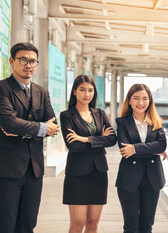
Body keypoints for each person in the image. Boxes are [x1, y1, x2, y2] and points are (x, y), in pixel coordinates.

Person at [0, 42, 60, 233]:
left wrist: (25, 128)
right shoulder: (0, 89)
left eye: (33, 61)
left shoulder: (41, 92)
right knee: (6, 223)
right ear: (12, 61)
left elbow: (53, 123)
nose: (28, 65)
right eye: (23, 60)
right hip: (7, 169)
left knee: (28, 224)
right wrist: (40, 128)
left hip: (34, 169)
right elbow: (9, 124)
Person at [60, 75, 116, 233]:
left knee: (93, 223)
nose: (87, 94)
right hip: (77, 174)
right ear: (74, 92)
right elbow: (73, 146)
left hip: (98, 173)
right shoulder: (67, 116)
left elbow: (112, 139)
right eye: (82, 90)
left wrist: (85, 139)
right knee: (78, 223)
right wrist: (100, 140)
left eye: (90, 90)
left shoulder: (100, 114)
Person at [115, 83, 167, 233]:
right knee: (131, 227)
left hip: (152, 180)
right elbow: (124, 149)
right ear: (129, 100)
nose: (140, 103)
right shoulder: (122, 122)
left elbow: (162, 145)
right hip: (129, 179)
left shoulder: (157, 121)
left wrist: (135, 148)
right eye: (136, 98)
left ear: (150, 101)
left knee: (147, 226)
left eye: (145, 98)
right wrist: (152, 148)